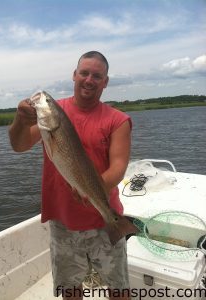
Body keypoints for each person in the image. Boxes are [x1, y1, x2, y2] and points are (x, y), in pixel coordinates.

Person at [9, 51, 132, 300]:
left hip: (103, 216)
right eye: (84, 73)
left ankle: (116, 225)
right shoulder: (52, 119)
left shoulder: (118, 120)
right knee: (70, 290)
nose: (89, 79)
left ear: (105, 82)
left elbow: (118, 167)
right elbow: (19, 145)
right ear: (74, 75)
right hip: (63, 220)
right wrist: (21, 122)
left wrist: (89, 188)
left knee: (118, 290)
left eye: (97, 76)